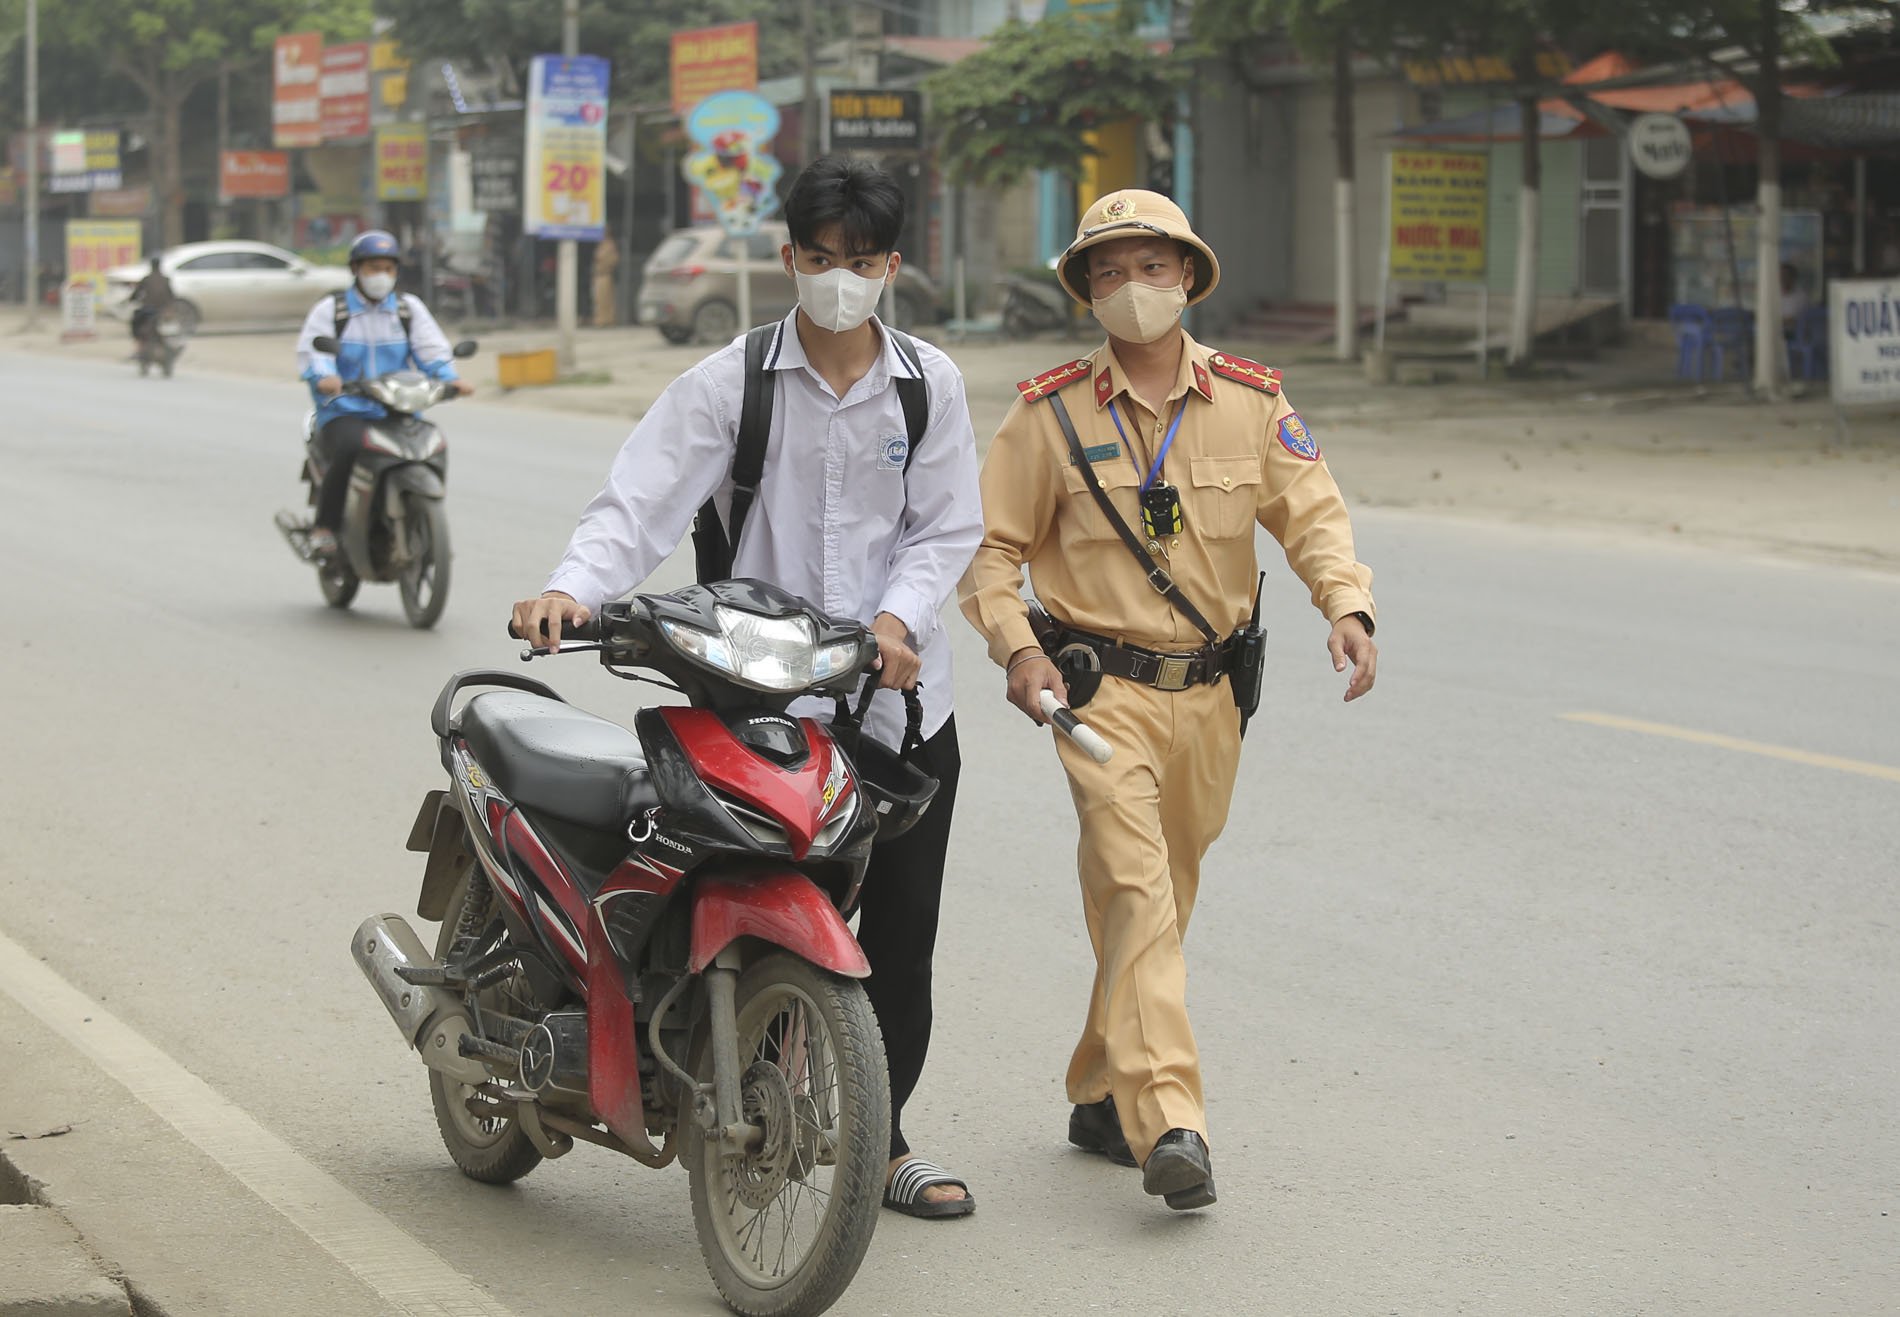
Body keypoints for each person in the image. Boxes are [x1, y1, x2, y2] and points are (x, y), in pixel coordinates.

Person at [510, 157, 984, 1219]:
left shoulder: (928, 385)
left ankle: (884, 1139)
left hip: (895, 703)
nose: (839, 282)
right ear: (788, 261)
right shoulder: (732, 381)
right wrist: (568, 591)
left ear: (891, 267)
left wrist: (900, 623)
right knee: (734, 910)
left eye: (860, 263)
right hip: (755, 706)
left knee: (899, 941)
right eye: (820, 261)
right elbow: (637, 500)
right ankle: (726, 1097)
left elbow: (946, 526)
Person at [958, 189, 1379, 1212]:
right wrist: (1019, 650)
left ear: (1187, 277)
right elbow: (990, 553)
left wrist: (1348, 606)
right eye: (1109, 272)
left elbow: (1309, 514)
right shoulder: (1047, 413)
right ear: (1086, 292)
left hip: (1212, 696)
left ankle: (1103, 1090)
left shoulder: (1251, 399)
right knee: (1137, 892)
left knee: (1159, 899)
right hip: (1099, 696)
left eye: (1152, 268)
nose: (1133, 289)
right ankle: (1172, 1126)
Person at [294, 230, 473, 558]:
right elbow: (314, 351)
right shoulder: (331, 310)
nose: (382, 276)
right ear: (356, 269)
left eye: (389, 269)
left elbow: (431, 348)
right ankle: (325, 527)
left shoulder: (407, 309)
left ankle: (419, 514)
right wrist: (325, 376)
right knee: (349, 445)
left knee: (432, 443)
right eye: (374, 267)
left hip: (397, 407)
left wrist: (450, 379)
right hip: (345, 409)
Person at [128, 256, 173, 347]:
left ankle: (138, 342)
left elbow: (136, 293)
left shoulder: (147, 279)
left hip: (148, 309)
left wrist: (131, 300)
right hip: (162, 309)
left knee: (135, 322)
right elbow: (171, 295)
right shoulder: (165, 279)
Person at [592, 232, 620, 328]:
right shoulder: (601, 244)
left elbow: (614, 259)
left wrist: (606, 266)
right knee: (599, 299)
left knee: (605, 299)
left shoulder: (609, 245)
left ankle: (607, 320)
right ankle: (601, 319)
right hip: (599, 274)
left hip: (605, 274)